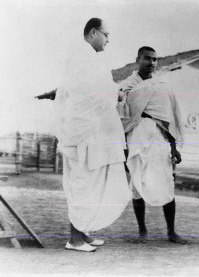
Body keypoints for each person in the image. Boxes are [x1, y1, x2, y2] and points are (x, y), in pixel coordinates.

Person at [53, 18, 131, 252]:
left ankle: (83, 233)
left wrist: (112, 92)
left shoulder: (88, 57)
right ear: (94, 32)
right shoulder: (82, 56)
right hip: (81, 131)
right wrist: (115, 92)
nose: (108, 40)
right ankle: (74, 239)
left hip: (88, 131)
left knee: (90, 183)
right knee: (82, 184)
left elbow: (95, 90)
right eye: (106, 35)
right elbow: (85, 92)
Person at [118, 46, 187, 244]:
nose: (152, 63)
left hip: (159, 141)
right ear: (138, 59)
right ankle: (142, 231)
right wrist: (123, 149)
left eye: (155, 59)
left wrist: (174, 147)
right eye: (147, 58)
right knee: (137, 185)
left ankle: (171, 232)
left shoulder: (162, 86)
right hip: (136, 140)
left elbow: (169, 118)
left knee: (166, 182)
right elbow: (121, 118)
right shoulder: (126, 86)